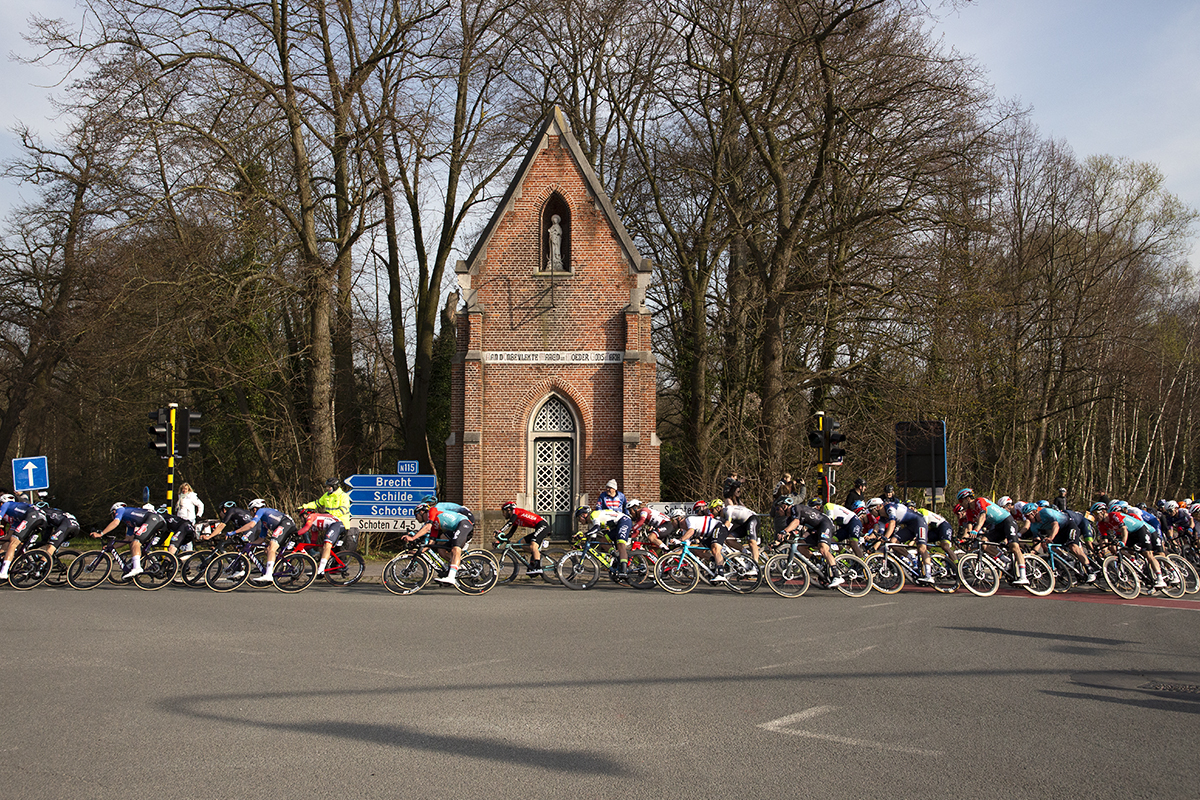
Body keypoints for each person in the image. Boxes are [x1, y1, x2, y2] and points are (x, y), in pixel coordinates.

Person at [955, 488, 1029, 586]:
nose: (961, 504)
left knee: (1014, 547)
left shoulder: (979, 501)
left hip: (1007, 521)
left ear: (968, 499)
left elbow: (982, 516)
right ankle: (1007, 562)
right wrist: (965, 538)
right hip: (998, 526)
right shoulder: (969, 511)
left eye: (961, 501)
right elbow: (969, 526)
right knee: (984, 543)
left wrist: (976, 530)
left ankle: (1024, 577)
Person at [775, 496, 844, 588]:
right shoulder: (789, 519)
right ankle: (817, 563)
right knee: (800, 546)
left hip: (824, 524)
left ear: (784, 506)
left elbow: (795, 522)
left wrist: (784, 531)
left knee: (823, 549)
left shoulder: (796, 508)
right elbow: (790, 534)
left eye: (777, 508)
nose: (776, 511)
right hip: (815, 529)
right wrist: (777, 542)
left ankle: (837, 575)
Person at [1021, 502, 1098, 583]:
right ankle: (1065, 557)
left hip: (1069, 526)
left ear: (1033, 512)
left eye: (1027, 515)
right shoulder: (1033, 526)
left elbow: (1055, 525)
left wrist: (1050, 537)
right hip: (1060, 531)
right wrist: (1034, 552)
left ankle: (1090, 571)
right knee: (1047, 546)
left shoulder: (1045, 512)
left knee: (1073, 546)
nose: (1027, 519)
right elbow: (1037, 540)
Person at [867, 496, 936, 585]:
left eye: (871, 510)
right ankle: (912, 558)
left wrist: (885, 537)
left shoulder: (890, 507)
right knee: (893, 543)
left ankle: (928, 575)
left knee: (922, 548)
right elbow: (880, 535)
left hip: (919, 522)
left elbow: (892, 523)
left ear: (877, 507)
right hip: (909, 526)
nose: (871, 513)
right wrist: (873, 547)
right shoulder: (882, 519)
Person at [403, 501, 475, 585]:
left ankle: (451, 577)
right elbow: (431, 542)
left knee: (456, 547)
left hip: (463, 523)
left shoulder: (432, 511)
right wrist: (420, 551)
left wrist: (412, 538)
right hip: (456, 528)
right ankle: (457, 566)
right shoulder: (434, 525)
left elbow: (427, 528)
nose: (416, 518)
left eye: (416, 515)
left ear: (421, 512)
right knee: (441, 549)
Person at [228, 499, 299, 585]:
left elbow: (251, 525)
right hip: (285, 525)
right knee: (267, 551)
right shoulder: (264, 523)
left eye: (250, 511)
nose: (250, 513)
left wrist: (234, 532)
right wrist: (250, 545)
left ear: (254, 509)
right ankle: (279, 565)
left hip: (286, 523)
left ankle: (268, 575)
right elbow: (261, 539)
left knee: (271, 547)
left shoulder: (261, 510)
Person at [91, 502, 166, 580]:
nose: (113, 516)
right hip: (155, 520)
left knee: (136, 542)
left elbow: (115, 522)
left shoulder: (120, 509)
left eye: (112, 515)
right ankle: (143, 563)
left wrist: (101, 534)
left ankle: (137, 568)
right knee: (133, 543)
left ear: (114, 511)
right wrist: (112, 547)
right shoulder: (129, 522)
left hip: (153, 519)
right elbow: (128, 539)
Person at [669, 501, 730, 583]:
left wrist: (679, 540)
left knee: (715, 549)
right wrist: (672, 555)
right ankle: (715, 561)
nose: (671, 523)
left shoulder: (689, 520)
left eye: (672, 520)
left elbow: (691, 531)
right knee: (698, 551)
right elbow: (686, 545)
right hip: (711, 534)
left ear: (678, 518)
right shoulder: (684, 531)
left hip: (718, 527)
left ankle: (721, 573)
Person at [576, 503, 635, 577]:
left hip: (623, 520)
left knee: (620, 544)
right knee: (602, 541)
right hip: (616, 526)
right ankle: (616, 556)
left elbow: (597, 528)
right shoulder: (591, 523)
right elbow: (592, 541)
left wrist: (584, 534)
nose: (579, 521)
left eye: (579, 518)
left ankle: (624, 570)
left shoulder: (593, 515)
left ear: (584, 515)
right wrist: (582, 547)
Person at [0, 494, 49, 580]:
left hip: (32, 516)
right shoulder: (17, 513)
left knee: (13, 543)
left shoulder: (6, 504)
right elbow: (10, 535)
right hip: (41, 519)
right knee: (18, 543)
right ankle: (30, 563)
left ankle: (3, 572)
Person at [494, 501, 551, 575]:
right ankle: (536, 555)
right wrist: (500, 540)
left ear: (509, 509)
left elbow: (510, 522)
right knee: (522, 542)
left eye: (504, 511)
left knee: (533, 545)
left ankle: (538, 568)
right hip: (538, 528)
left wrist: (500, 531)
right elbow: (510, 534)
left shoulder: (516, 511)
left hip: (542, 525)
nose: (503, 514)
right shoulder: (516, 519)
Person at [295, 506, 346, 576]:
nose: (300, 520)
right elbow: (313, 541)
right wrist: (305, 548)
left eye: (300, 517)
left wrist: (295, 534)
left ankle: (320, 570)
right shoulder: (314, 526)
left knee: (327, 545)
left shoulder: (311, 516)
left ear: (304, 515)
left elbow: (306, 528)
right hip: (335, 526)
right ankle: (328, 563)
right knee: (321, 548)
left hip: (336, 525)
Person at [718, 499, 763, 569]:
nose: (711, 513)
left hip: (752, 519)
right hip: (744, 524)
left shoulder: (727, 510)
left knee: (751, 542)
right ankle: (746, 553)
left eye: (712, 510)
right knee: (729, 539)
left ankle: (755, 567)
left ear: (718, 508)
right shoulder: (721, 517)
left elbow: (727, 524)